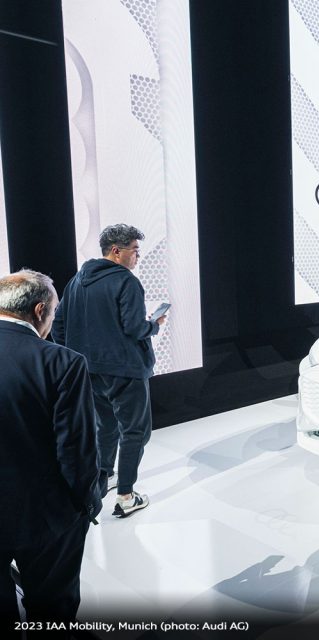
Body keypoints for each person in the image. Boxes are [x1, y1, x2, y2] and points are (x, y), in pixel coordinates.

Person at [0, 270, 102, 625]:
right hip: (45, 516)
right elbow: (76, 450)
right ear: (40, 310)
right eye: (55, 312)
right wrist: (87, 502)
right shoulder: (63, 362)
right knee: (51, 612)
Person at [52, 224, 165, 518]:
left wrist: (76, 356)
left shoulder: (76, 281)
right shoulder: (127, 281)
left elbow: (58, 325)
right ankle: (126, 496)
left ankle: (102, 480)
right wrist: (154, 325)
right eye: (135, 250)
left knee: (106, 427)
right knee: (135, 432)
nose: (138, 256)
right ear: (116, 251)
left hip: (89, 371)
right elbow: (135, 328)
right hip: (125, 370)